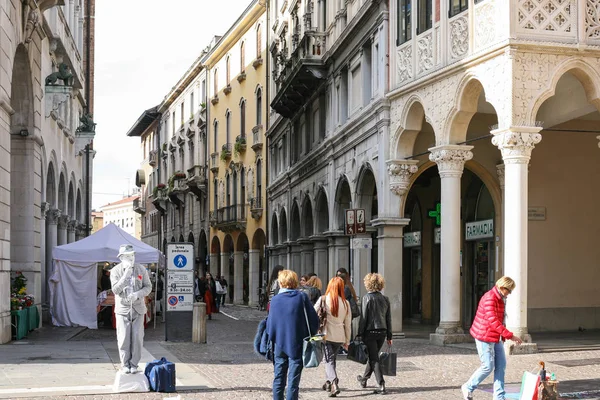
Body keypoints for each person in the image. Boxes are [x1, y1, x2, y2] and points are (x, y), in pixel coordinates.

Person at [461, 276, 523, 400]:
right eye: (509, 290)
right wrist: (510, 336)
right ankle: (468, 387)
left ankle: (499, 396)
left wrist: (503, 335)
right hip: (484, 336)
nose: (509, 294)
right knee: (487, 366)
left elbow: (498, 320)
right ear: (502, 287)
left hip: (494, 336)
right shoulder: (490, 298)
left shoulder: (499, 297)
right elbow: (493, 321)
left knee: (501, 365)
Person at [266, 270, 319, 400]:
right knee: (293, 382)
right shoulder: (301, 298)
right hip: (297, 343)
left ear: (281, 282)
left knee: (279, 378)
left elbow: (270, 323)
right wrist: (309, 334)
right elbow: (313, 320)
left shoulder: (275, 300)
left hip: (279, 343)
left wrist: (274, 336)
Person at [110, 244, 152, 374]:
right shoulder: (116, 271)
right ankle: (125, 364)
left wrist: (137, 294)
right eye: (128, 256)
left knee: (137, 337)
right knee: (123, 337)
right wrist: (125, 276)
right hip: (123, 309)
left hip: (138, 308)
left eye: (133, 255)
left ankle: (134, 363)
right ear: (121, 257)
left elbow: (148, 287)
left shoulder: (141, 269)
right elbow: (115, 289)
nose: (131, 258)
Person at [314, 277, 351, 397]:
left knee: (328, 360)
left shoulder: (323, 299)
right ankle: (328, 383)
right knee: (331, 359)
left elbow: (313, 313)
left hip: (326, 335)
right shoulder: (346, 303)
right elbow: (348, 324)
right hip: (339, 336)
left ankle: (334, 382)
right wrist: (347, 340)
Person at [357, 273, 392, 395]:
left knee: (374, 358)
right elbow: (388, 319)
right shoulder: (385, 299)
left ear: (368, 284)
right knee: (373, 356)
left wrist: (359, 334)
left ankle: (381, 383)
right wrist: (389, 336)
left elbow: (364, 318)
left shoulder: (366, 298)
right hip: (382, 331)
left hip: (370, 331)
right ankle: (364, 379)